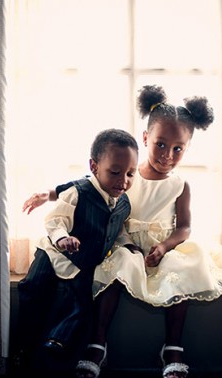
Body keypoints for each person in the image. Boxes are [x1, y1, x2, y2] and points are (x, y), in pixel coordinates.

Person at [22, 85, 222, 378]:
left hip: (164, 245)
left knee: (184, 270)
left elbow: (185, 226)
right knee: (116, 266)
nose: (168, 155)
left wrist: (165, 246)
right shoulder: (128, 174)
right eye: (160, 144)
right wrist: (49, 194)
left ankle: (173, 347)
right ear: (145, 139)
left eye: (178, 148)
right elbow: (86, 185)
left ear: (188, 148)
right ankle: (97, 343)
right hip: (125, 242)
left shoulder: (180, 185)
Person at [17, 128, 139, 372]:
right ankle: (23, 350)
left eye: (130, 174)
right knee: (34, 291)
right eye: (115, 172)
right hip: (53, 255)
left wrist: (128, 245)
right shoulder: (78, 191)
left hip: (82, 262)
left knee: (83, 302)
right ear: (94, 166)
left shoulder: (123, 203)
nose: (123, 180)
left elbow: (117, 231)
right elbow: (56, 219)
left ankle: (57, 344)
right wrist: (62, 238)